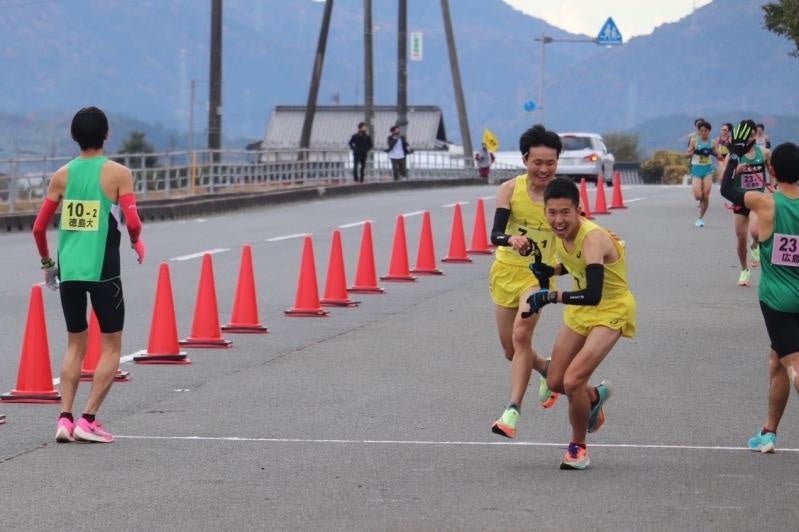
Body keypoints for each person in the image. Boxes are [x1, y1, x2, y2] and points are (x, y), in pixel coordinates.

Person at [32, 106, 145, 443]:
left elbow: (38, 228)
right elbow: (133, 222)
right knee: (110, 346)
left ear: (74, 137)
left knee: (74, 344)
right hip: (104, 271)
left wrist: (48, 265)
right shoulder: (118, 173)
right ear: (106, 135)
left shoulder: (61, 176)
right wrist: (137, 242)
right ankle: (88, 419)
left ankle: (64, 419)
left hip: (69, 271)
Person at [525, 177, 636, 470]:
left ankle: (578, 448)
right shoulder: (561, 235)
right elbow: (573, 261)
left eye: (565, 212)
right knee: (555, 381)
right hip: (581, 312)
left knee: (573, 381)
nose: (558, 220)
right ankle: (595, 397)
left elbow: (593, 293)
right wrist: (551, 269)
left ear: (579, 210)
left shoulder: (593, 237)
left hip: (609, 308)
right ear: (545, 211)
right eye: (552, 212)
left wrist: (551, 295)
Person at [720, 124, 799, 454]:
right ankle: (769, 432)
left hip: (777, 300)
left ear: (772, 169)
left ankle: (769, 431)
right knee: (777, 363)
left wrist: (735, 152)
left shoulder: (765, 204)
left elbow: (726, 189)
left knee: (794, 366)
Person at [489, 124, 561, 441]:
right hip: (505, 272)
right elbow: (494, 235)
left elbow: (578, 232)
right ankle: (546, 368)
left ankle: (511, 411)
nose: (544, 169)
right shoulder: (510, 189)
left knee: (521, 335)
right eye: (538, 162)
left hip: (539, 275)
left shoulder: (563, 194)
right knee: (511, 349)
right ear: (525, 160)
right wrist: (510, 239)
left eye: (551, 163)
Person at [717, 119, 770, 285]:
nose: (749, 139)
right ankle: (744, 269)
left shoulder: (765, 153)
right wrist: (736, 170)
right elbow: (722, 179)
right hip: (739, 198)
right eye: (747, 136)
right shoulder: (735, 156)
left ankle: (755, 245)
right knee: (740, 237)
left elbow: (773, 171)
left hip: (756, 198)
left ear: (756, 135)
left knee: (755, 231)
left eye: (752, 135)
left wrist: (773, 185)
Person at [687, 120, 718, 227]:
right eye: (701, 131)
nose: (703, 133)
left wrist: (712, 153)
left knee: (706, 193)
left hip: (707, 170)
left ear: (709, 131)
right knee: (698, 196)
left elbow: (719, 156)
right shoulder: (694, 141)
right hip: (696, 169)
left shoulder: (713, 142)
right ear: (699, 131)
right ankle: (701, 201)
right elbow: (687, 154)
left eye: (705, 131)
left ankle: (700, 218)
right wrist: (695, 152)